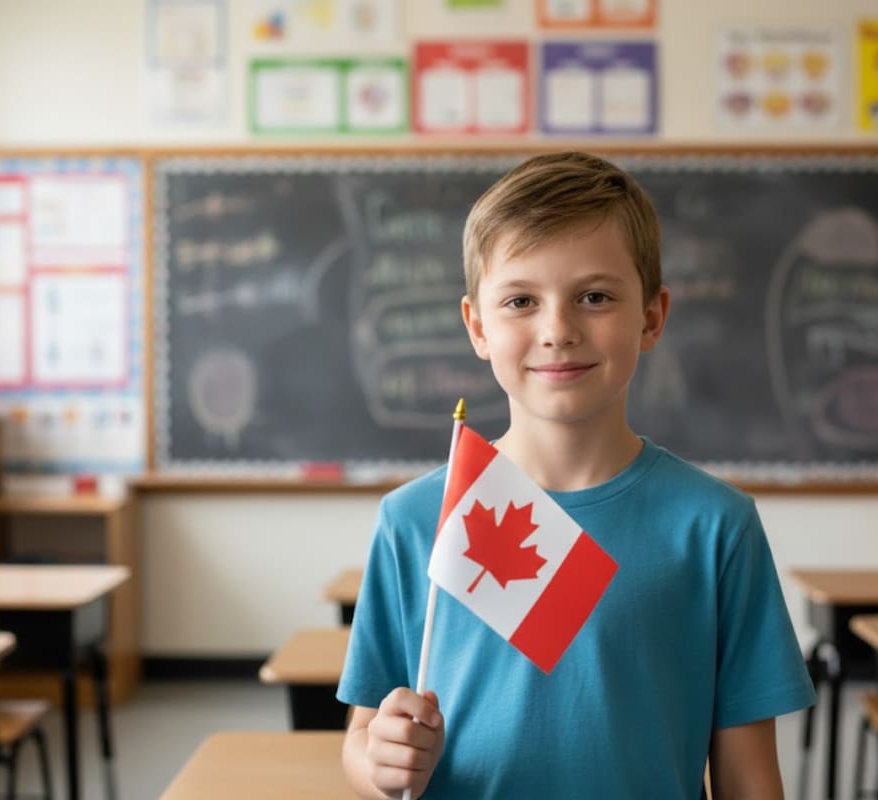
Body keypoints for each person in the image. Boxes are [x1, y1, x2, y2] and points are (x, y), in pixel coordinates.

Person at [337, 151, 816, 799]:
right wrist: (380, 762)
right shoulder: (418, 519)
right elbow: (362, 737)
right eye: (520, 301)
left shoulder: (715, 527)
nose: (558, 330)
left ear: (651, 317)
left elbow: (749, 775)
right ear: (477, 326)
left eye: (595, 297)